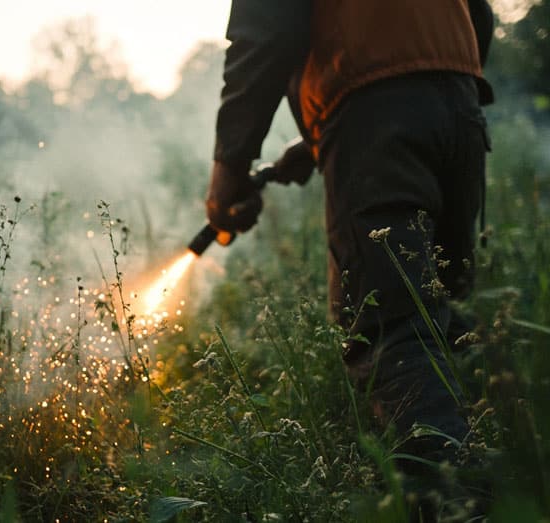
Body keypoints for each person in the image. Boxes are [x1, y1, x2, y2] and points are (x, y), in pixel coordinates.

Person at [205, 0, 494, 514]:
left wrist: (229, 167)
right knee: (442, 310)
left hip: (377, 113)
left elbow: (264, 28)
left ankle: (453, 505)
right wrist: (322, 134)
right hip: (459, 104)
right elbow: (478, 15)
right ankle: (490, 467)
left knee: (394, 331)